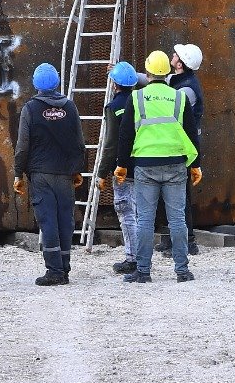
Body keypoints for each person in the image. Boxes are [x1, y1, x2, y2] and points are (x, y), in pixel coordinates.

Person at [115, 49, 201, 286]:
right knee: (177, 220)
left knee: (145, 220)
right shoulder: (180, 98)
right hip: (175, 164)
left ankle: (143, 272)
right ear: (166, 73)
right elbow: (191, 134)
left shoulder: (136, 98)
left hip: (145, 165)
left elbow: (125, 135)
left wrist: (122, 165)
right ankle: (182, 271)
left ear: (149, 70)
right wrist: (195, 164)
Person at [13, 62, 85, 286]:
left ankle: (54, 271)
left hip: (40, 174)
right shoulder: (70, 107)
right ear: (57, 83)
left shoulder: (30, 109)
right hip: (64, 173)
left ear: (36, 84)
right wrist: (76, 169)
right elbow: (79, 142)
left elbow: (23, 145)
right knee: (65, 219)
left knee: (48, 220)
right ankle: (64, 267)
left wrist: (18, 173)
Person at [97, 61, 145, 276]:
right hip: (145, 164)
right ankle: (142, 256)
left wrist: (101, 172)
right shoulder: (142, 102)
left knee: (126, 213)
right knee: (142, 213)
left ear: (114, 84)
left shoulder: (114, 107)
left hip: (123, 168)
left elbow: (110, 144)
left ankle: (133, 258)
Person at [169, 43, 205, 257]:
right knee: (173, 196)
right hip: (178, 145)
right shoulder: (180, 81)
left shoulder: (186, 89)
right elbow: (155, 80)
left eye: (175, 55)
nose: (172, 56)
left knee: (181, 197)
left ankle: (189, 241)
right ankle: (174, 239)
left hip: (184, 147)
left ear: (180, 64)